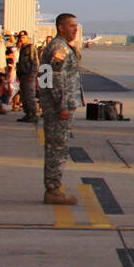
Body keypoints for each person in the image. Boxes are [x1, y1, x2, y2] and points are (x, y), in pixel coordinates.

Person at [38, 13, 81, 205]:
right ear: (60, 27)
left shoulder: (58, 47)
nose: (75, 29)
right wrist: (61, 105)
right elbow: (55, 79)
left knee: (56, 147)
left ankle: (54, 186)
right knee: (57, 148)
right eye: (71, 26)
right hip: (58, 107)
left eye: (76, 26)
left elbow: (44, 77)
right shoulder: (59, 48)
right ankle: (53, 189)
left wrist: (45, 99)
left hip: (53, 104)